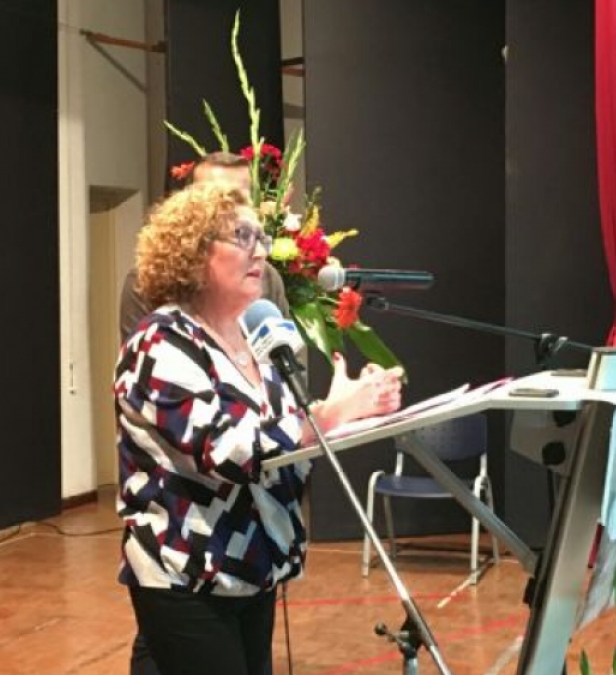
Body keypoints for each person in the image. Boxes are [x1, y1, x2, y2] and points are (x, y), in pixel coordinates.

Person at [114, 182, 402, 675]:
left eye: (261, 238)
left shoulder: (255, 340)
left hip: (254, 566)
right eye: (242, 236)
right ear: (194, 253)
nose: (261, 252)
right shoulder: (159, 343)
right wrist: (329, 416)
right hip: (188, 572)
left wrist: (353, 408)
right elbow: (228, 451)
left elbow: (283, 448)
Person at [118, 151, 289, 339]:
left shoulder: (266, 278)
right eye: (216, 197)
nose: (229, 207)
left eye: (239, 198)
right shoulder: (148, 282)